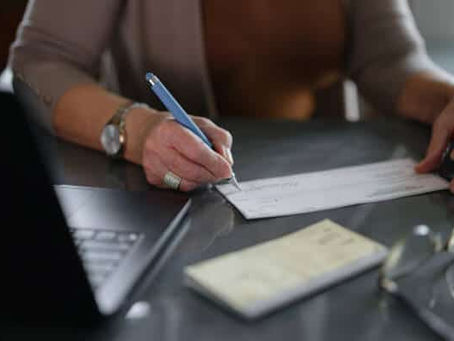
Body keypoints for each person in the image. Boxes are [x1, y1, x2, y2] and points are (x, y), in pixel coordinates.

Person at [9, 0, 454, 192]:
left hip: (313, 197)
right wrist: (140, 129)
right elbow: (40, 62)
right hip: (163, 200)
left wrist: (447, 100)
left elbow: (390, 61)